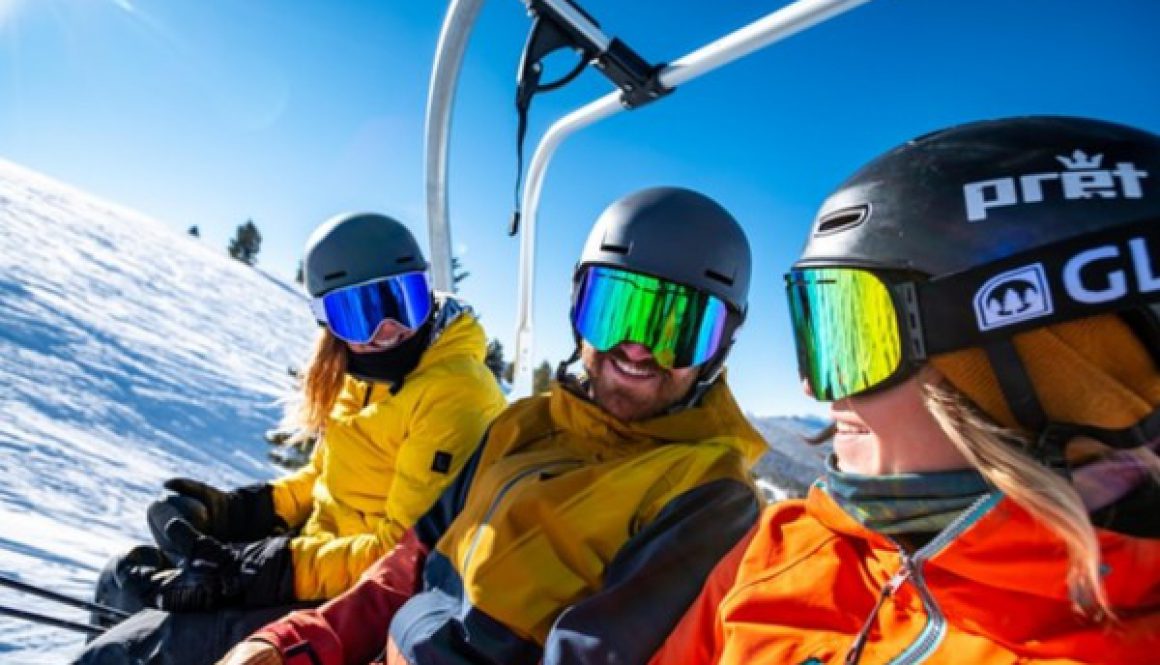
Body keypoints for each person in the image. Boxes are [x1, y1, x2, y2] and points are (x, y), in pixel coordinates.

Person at [650, 116, 1160, 664]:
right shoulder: (784, 544)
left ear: (1042, 365)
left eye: (859, 338)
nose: (812, 386)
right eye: (824, 331)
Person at [216, 186, 769, 665]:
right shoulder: (522, 424)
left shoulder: (710, 494)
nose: (636, 347)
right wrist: (297, 642)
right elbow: (412, 560)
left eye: (677, 326)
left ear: (720, 347)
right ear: (577, 307)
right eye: (616, 309)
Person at [77, 212, 507, 664]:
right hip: (317, 568)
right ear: (328, 321)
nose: (388, 331)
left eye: (403, 301)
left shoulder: (454, 392)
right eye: (359, 314)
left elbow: (400, 555)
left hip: (364, 603)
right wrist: (236, 512)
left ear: (428, 294)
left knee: (123, 653)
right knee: (121, 580)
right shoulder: (359, 378)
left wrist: (263, 569)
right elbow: (322, 478)